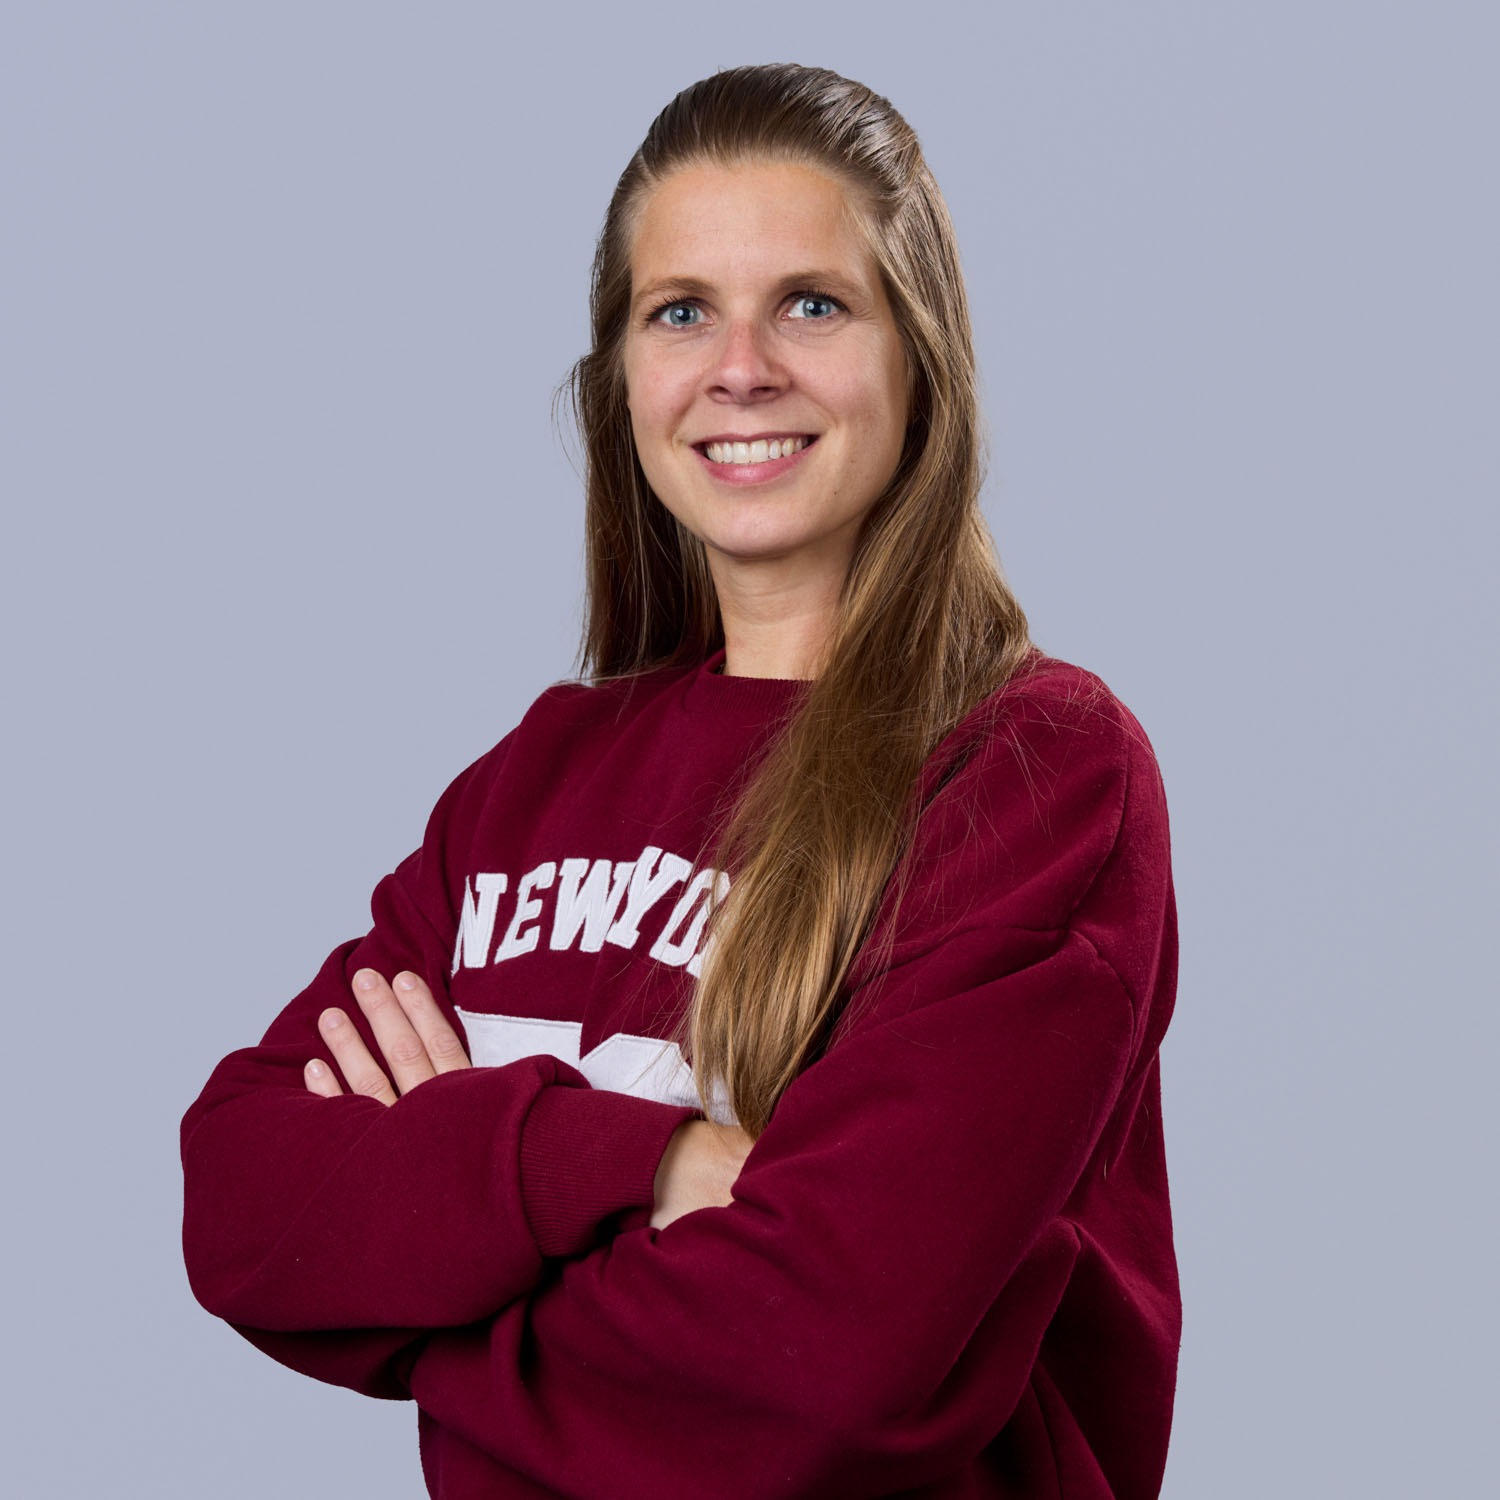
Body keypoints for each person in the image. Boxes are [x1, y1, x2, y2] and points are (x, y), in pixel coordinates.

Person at [181, 62, 1180, 1499]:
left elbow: (822, 1368)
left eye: (812, 305)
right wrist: (634, 1164)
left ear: (920, 360)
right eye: (681, 311)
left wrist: (433, 1303)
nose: (742, 368)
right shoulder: (534, 781)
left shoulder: (1034, 777)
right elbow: (242, 1203)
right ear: (622, 380)